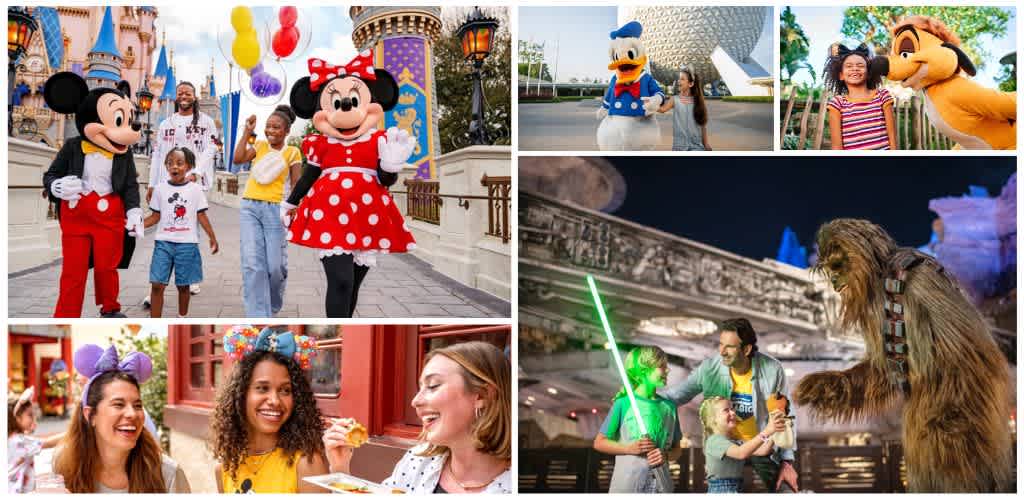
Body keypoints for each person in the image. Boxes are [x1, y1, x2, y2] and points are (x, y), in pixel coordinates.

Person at [323, 341, 511, 493]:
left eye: (433, 386)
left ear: (482, 396)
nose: (415, 401)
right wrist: (340, 468)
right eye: (419, 388)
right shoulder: (417, 461)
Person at [664, 318, 800, 492]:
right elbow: (676, 395)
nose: (722, 351)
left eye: (729, 347)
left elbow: (786, 410)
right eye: (721, 344)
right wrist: (639, 398)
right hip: (726, 445)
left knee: (786, 490)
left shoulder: (772, 369)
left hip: (760, 442)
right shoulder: (709, 369)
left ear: (746, 349)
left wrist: (787, 461)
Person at [53, 344, 190, 493]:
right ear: (90, 415)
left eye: (137, 405)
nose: (132, 414)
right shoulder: (64, 463)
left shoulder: (168, 475)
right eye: (118, 404)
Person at [211, 327, 328, 493]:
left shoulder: (306, 464)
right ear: (241, 394)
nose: (275, 401)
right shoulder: (224, 468)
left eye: (285, 390)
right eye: (262, 388)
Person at [147, 81, 218, 297]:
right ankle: (158, 282)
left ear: (195, 97)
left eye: (188, 92)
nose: (184, 95)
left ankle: (189, 278)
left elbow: (212, 147)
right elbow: (158, 154)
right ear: (176, 97)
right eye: (180, 93)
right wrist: (152, 183)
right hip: (167, 183)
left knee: (191, 227)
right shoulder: (166, 123)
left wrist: (197, 171)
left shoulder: (206, 122)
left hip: (194, 181)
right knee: (165, 228)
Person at [232, 106, 302, 317]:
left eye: (276, 127)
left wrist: (294, 209)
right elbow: (238, 159)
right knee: (253, 264)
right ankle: (259, 315)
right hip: (250, 207)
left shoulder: (292, 152)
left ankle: (272, 303)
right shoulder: (260, 146)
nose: (270, 130)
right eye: (268, 126)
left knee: (275, 266)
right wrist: (247, 131)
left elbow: (297, 183)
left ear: (287, 131)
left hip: (276, 211)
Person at [593, 345, 681, 493]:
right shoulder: (624, 403)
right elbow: (599, 443)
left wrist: (665, 455)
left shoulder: (669, 407)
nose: (668, 370)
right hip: (628, 487)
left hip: (662, 488)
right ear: (644, 370)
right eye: (662, 366)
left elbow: (677, 450)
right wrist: (628, 448)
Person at [143, 147, 219, 318]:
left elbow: (201, 215)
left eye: (179, 163)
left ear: (189, 166)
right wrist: (136, 225)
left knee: (183, 286)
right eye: (170, 164)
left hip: (187, 244)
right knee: (157, 284)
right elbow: (155, 217)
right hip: (163, 243)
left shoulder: (195, 190)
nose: (174, 167)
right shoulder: (160, 189)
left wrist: (212, 237)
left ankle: (181, 317)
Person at [699, 396, 786, 493]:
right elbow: (741, 453)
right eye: (726, 410)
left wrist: (775, 430)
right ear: (713, 419)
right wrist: (767, 431)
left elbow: (763, 450)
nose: (733, 412)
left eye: (732, 409)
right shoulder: (714, 441)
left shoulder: (735, 442)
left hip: (737, 488)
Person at [824, 43, 896, 150]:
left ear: (868, 73)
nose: (855, 69)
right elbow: (836, 146)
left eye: (860, 65)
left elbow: (893, 137)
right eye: (849, 66)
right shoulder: (837, 104)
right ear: (841, 75)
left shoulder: (882, 96)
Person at [8, 388, 65, 493]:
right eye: (30, 415)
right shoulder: (19, 441)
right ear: (16, 418)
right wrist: (72, 434)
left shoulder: (12, 438)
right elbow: (47, 442)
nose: (33, 419)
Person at [658, 67, 711, 151]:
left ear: (691, 84)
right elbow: (662, 109)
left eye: (682, 79)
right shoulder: (674, 99)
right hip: (679, 147)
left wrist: (706, 143)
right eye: (679, 79)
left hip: (696, 147)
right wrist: (650, 102)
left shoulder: (698, 101)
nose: (679, 81)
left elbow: (702, 126)